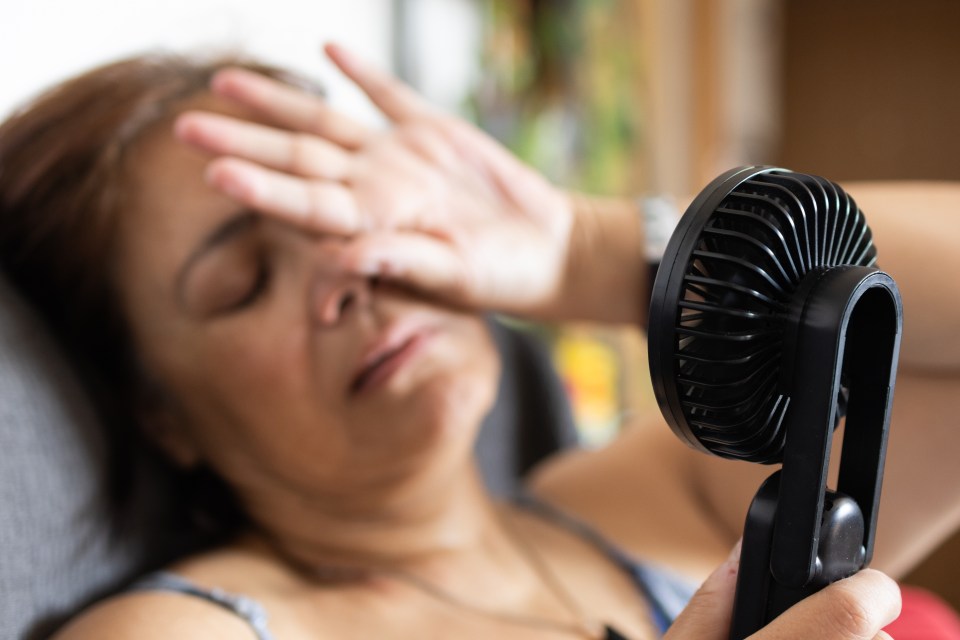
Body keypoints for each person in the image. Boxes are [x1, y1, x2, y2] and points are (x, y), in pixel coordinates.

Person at [2, 43, 958, 640]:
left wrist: (593, 252)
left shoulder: (660, 500)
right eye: (244, 283)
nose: (355, 268)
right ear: (162, 414)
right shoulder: (184, 634)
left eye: (352, 213)